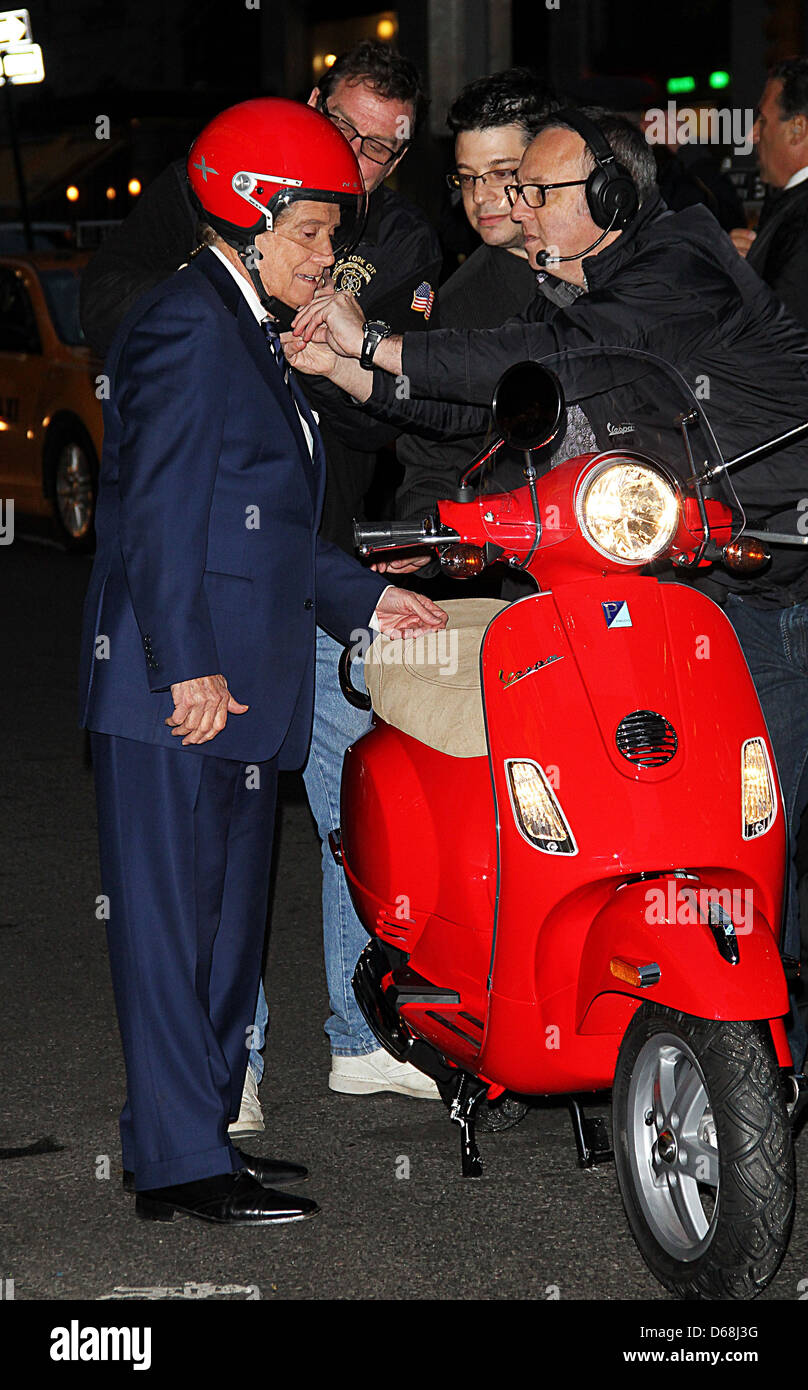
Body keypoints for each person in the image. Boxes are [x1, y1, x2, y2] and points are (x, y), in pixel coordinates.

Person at [287, 106, 808, 1068]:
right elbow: (496, 394)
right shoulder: (576, 286)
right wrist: (353, 376)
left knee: (755, 844)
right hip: (686, 590)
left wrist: (376, 343)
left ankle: (761, 1061)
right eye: (512, 191)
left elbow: (551, 363)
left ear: (611, 197)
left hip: (775, 590)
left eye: (539, 192)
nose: (518, 210)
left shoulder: (674, 267)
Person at [78, 97, 446, 1225]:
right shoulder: (190, 324)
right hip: (177, 689)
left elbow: (267, 523)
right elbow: (157, 511)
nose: (328, 259)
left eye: (332, 237)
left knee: (227, 935)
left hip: (241, 682)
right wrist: (185, 666)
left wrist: (365, 594)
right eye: (311, 235)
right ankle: (182, 1165)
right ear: (246, 221)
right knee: (172, 936)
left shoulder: (249, 330)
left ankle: (189, 1147)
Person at [390, 69, 556, 577]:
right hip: (524, 571)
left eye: (502, 174)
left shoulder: (616, 267)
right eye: (467, 177)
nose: (481, 197)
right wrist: (423, 535)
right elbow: (431, 452)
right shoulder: (456, 305)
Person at [730, 57, 808, 329]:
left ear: (797, 130)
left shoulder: (801, 216)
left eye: (762, 120)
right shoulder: (789, 203)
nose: (751, 135)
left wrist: (732, 274)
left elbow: (779, 339)